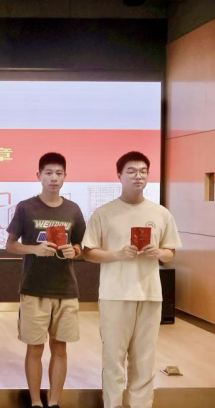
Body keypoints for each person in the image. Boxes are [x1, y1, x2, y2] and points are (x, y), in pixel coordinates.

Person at [82, 151, 181, 408]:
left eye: (143, 171)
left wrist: (158, 252)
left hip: (150, 294)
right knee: (113, 359)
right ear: (119, 175)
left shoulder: (161, 213)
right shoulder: (104, 213)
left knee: (145, 359)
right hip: (114, 294)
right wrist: (117, 254)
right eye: (131, 171)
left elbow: (170, 253)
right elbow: (88, 253)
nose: (138, 176)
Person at [6, 153, 86, 408]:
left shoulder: (73, 209)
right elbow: (10, 245)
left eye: (59, 173)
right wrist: (34, 249)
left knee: (60, 348)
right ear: (38, 176)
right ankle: (35, 401)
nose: (54, 178)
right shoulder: (26, 207)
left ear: (65, 177)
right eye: (48, 173)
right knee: (35, 348)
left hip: (66, 289)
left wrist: (75, 250)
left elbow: (81, 245)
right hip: (34, 289)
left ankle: (53, 402)